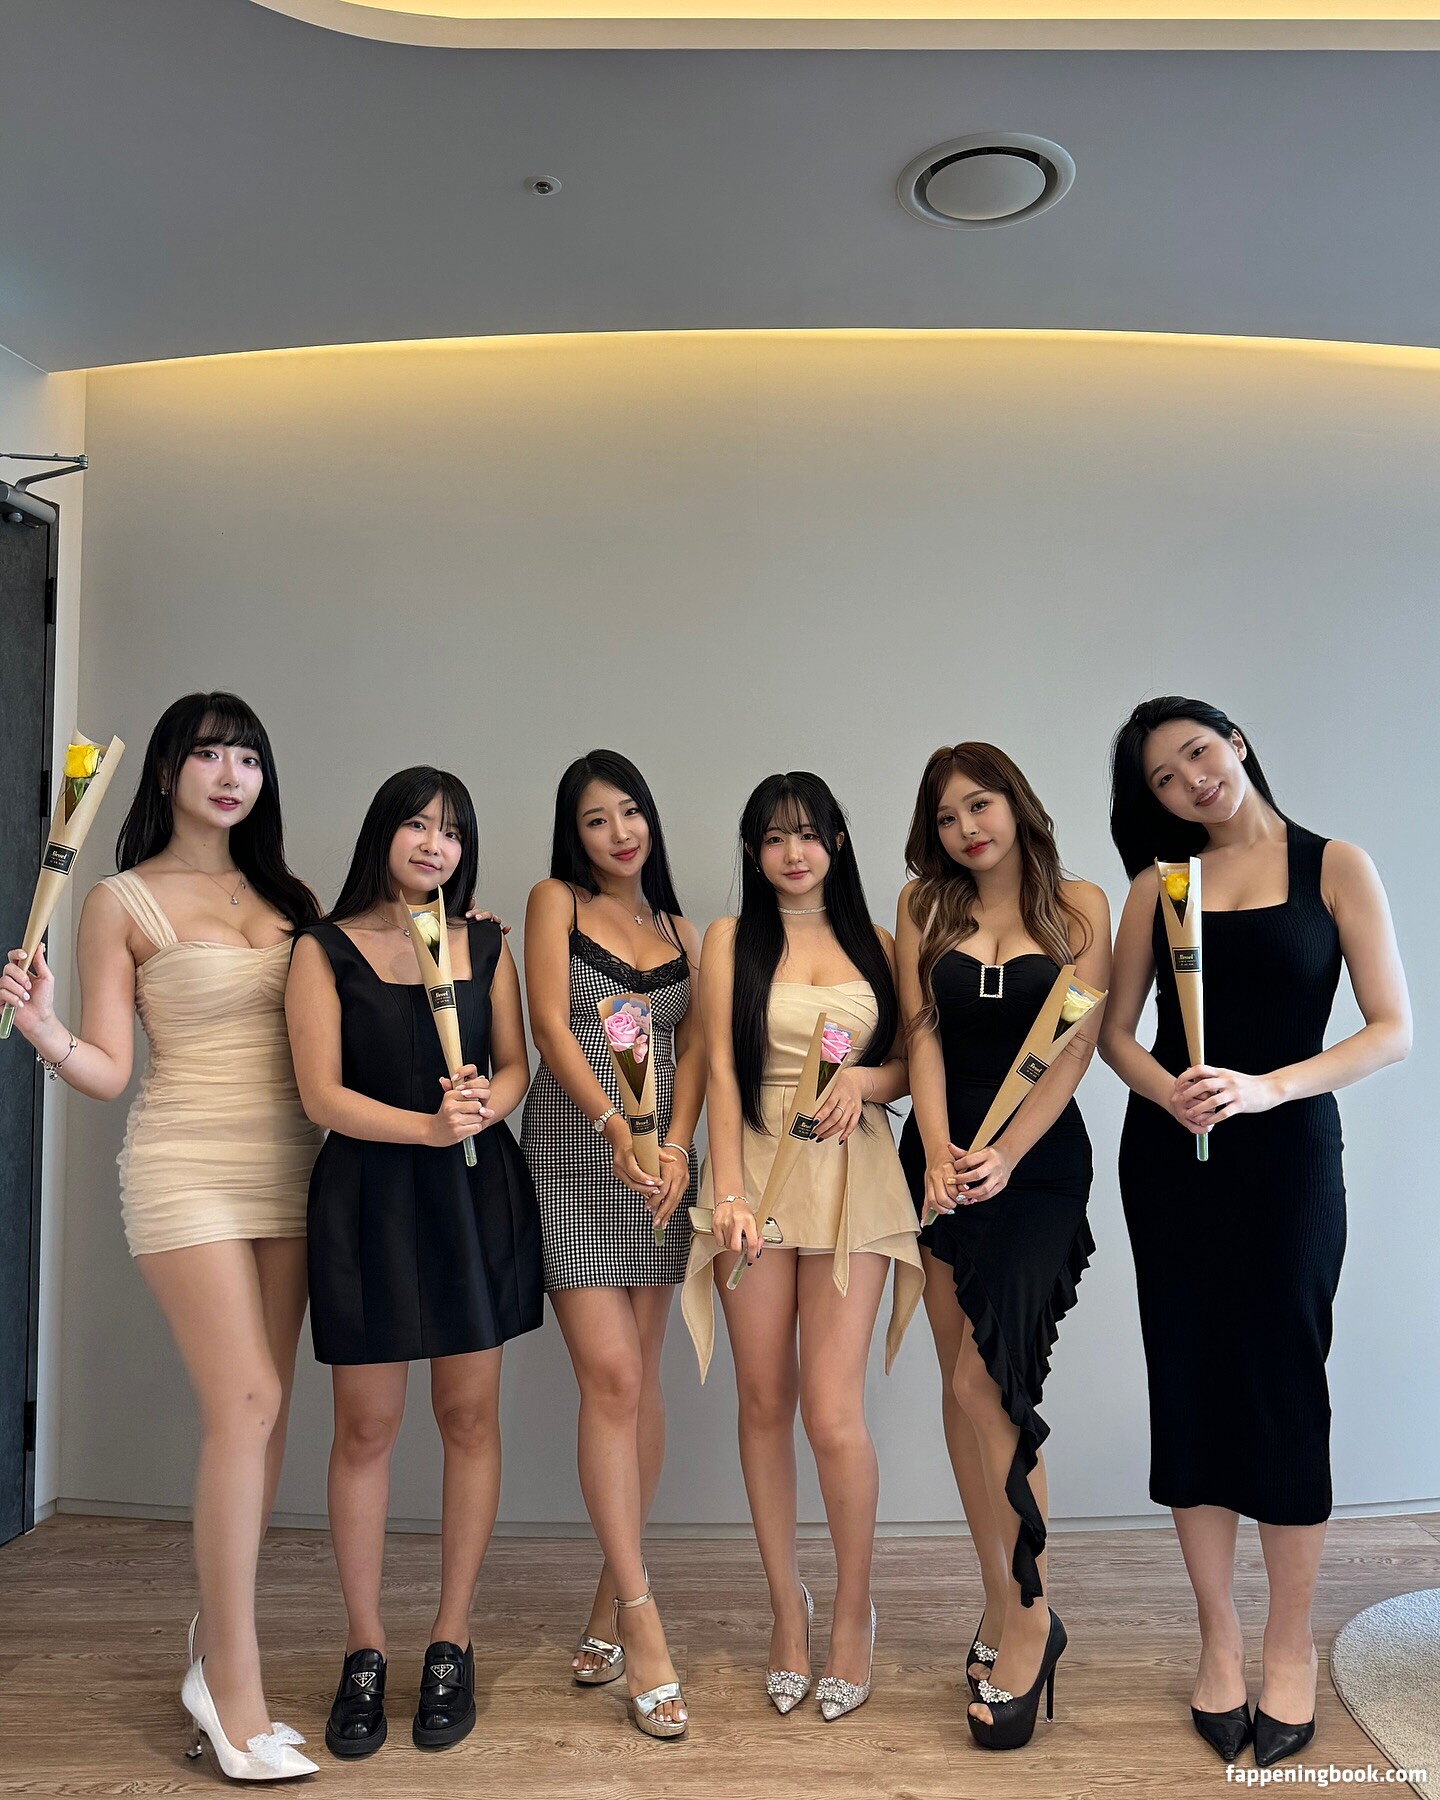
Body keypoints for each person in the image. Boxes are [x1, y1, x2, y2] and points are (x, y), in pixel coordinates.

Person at [2, 692, 321, 1782]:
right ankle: (235, 1692)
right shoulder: (118, 899)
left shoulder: (290, 899)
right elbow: (107, 1069)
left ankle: (212, 1649)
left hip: (294, 1171)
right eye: (209, 754)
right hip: (186, 1168)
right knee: (244, 1404)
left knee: (268, 1422)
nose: (231, 775)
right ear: (170, 772)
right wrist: (44, 1028)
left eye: (249, 757)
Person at [1100, 696, 1410, 1769]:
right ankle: (1219, 1639)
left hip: (1286, 1160)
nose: (1192, 780)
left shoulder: (1335, 866)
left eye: (1198, 752)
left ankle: (1289, 1643)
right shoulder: (1161, 885)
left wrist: (1268, 1087)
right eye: (1165, 778)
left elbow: (1392, 1028)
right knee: (1187, 1383)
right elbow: (1115, 1035)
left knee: (1284, 1385)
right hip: (1174, 1163)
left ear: (1235, 741)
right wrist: (1168, 1091)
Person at [286, 766, 543, 1757]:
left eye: (452, 831)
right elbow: (320, 1095)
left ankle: (451, 1637)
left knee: (468, 1418)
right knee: (365, 1429)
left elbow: (516, 1063)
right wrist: (427, 1128)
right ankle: (363, 1648)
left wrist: (484, 1107)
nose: (435, 844)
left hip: (473, 1196)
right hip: (369, 1197)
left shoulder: (487, 943)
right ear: (382, 834)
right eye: (417, 825)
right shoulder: (323, 948)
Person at [685, 771, 922, 1723]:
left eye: (810, 834)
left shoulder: (880, 944)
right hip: (753, 1176)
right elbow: (720, 1068)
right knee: (762, 1400)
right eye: (775, 837)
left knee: (832, 1412)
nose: (794, 852)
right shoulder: (730, 940)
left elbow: (913, 1064)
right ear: (754, 851)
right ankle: (788, 1610)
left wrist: (866, 1082)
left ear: (837, 842)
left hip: (851, 1177)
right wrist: (727, 1192)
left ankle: (853, 1614)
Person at [895, 742, 1109, 1751]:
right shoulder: (923, 907)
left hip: (1037, 1167)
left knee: (992, 1384)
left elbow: (1073, 1047)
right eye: (945, 817)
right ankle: (996, 1592)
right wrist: (939, 1151)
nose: (965, 828)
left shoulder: (1079, 908)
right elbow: (922, 1034)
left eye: (978, 805)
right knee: (957, 1387)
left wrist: (1005, 1155)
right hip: (942, 1163)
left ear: (1015, 805)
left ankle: (1030, 1619)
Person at [520, 751, 703, 1740]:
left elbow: (696, 1045)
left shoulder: (678, 930)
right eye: (597, 819)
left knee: (644, 1379)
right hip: (577, 1152)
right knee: (612, 1377)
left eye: (631, 812)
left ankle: (606, 1598)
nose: (620, 832)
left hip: (659, 1165)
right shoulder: (556, 901)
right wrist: (614, 1127)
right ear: (574, 835)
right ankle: (642, 1619)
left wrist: (674, 1144)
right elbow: (551, 1027)